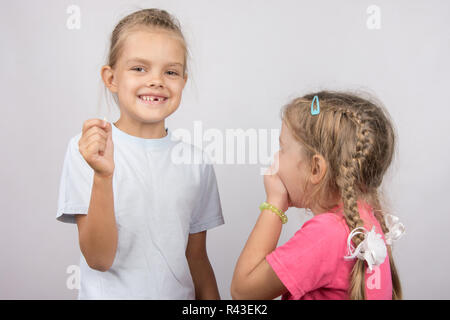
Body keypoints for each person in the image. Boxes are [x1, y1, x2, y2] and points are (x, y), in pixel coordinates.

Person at [56, 8, 224, 299]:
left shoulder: (196, 163)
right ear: (111, 78)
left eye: (170, 71)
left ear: (183, 80)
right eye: (139, 68)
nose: (156, 80)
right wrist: (102, 175)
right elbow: (98, 259)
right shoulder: (87, 151)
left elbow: (197, 259)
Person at [231, 91, 403, 300]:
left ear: (315, 168)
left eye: (282, 149)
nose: (276, 157)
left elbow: (243, 292)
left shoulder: (325, 235)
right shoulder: (367, 221)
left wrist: (274, 203)